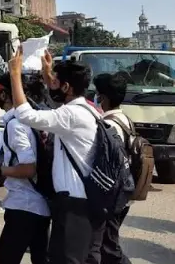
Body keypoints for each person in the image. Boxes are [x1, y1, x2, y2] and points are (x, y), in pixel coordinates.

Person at [8, 49, 101, 264]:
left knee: (67, 259)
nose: (53, 85)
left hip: (75, 204)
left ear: (67, 87)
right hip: (80, 200)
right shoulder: (86, 109)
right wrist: (49, 74)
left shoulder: (72, 115)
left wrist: (15, 73)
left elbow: (26, 114)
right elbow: (55, 107)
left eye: (57, 82)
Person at [0, 73, 50, 264]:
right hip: (40, 204)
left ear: (5, 94)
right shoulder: (29, 118)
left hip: (24, 206)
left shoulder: (17, 124)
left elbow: (28, 169)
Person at [87, 73, 132, 264]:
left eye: (97, 94)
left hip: (112, 197)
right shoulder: (124, 120)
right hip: (122, 192)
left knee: (109, 249)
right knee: (106, 247)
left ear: (103, 97)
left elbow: (107, 165)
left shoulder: (109, 125)